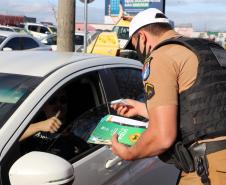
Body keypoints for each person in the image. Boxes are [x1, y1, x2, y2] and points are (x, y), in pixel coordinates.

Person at [111, 8, 226, 185]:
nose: (139, 53)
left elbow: (162, 137)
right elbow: (205, 110)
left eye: (135, 46)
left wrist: (130, 153)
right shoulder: (211, 48)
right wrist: (141, 108)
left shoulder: (161, 56)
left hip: (211, 169)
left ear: (142, 37)